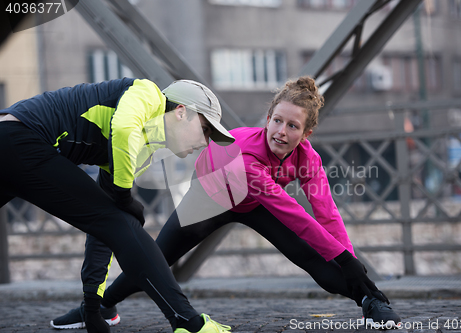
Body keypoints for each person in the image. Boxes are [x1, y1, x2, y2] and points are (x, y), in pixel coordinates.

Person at [51, 77, 402, 330]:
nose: (281, 131)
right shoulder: (246, 154)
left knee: (315, 259)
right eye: (276, 120)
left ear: (305, 134)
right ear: (268, 119)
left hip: (256, 204)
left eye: (292, 126)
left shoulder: (308, 158)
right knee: (155, 259)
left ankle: (371, 302)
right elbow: (294, 214)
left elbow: (327, 214)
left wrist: (351, 261)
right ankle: (97, 307)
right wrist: (342, 256)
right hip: (209, 199)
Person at [0, 78, 235, 333]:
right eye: (205, 129)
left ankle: (99, 308)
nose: (205, 142)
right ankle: (188, 322)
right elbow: (123, 129)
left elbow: (105, 233)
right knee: (120, 221)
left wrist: (91, 305)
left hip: (15, 146)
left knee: (116, 223)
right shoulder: (148, 95)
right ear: (180, 112)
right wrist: (124, 197)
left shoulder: (140, 151)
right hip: (20, 137)